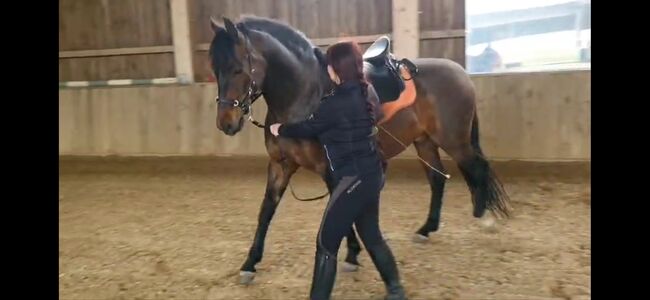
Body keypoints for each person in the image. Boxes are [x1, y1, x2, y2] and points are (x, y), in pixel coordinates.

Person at [269, 41, 407, 300]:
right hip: (371, 175)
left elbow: (309, 128)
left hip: (352, 180)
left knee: (325, 243)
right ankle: (396, 291)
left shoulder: (332, 103)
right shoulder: (367, 94)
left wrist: (281, 129)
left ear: (334, 69)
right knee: (372, 236)